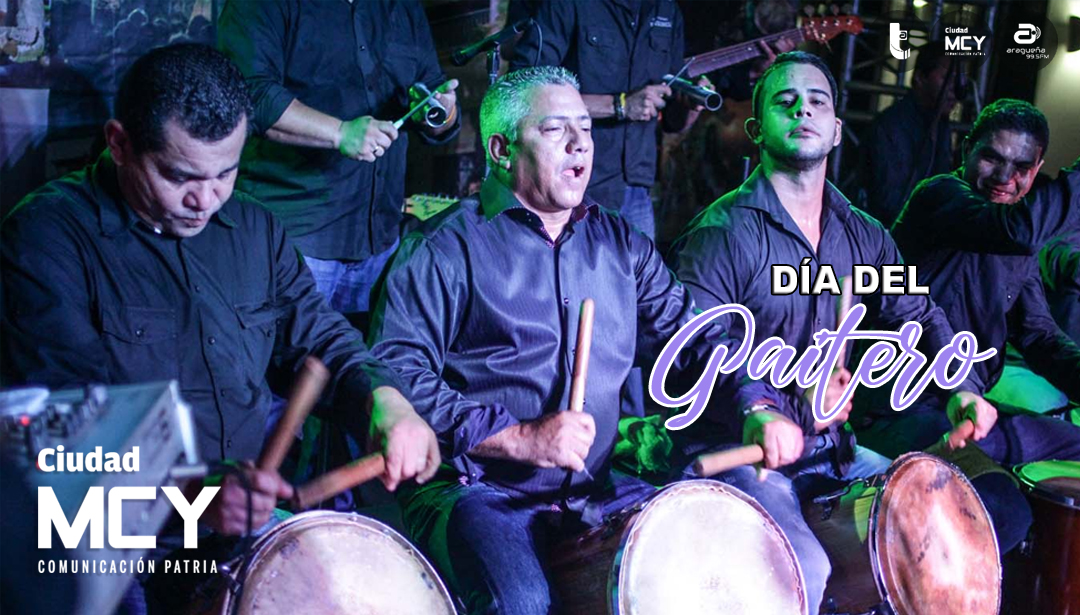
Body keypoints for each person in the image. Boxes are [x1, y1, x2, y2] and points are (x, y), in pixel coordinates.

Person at [0, 43, 439, 612]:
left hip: (237, 529)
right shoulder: (46, 239)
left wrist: (387, 403)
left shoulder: (254, 228)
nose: (205, 200)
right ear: (120, 143)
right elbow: (65, 445)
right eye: (179, 175)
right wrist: (194, 497)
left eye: (225, 173)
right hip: (118, 539)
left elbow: (320, 337)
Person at [368, 66, 736, 615]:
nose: (579, 143)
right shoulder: (443, 249)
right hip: (478, 487)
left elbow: (696, 343)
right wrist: (519, 438)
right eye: (555, 128)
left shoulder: (621, 245)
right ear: (501, 149)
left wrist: (761, 403)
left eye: (585, 128)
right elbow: (394, 373)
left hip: (594, 487)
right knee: (523, 601)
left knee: (691, 568)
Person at [670, 51, 993, 615]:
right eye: (785, 101)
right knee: (804, 569)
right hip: (737, 452)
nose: (803, 110)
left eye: (817, 101)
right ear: (756, 130)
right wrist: (761, 407)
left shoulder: (864, 237)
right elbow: (700, 345)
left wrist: (961, 385)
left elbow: (919, 314)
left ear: (837, 130)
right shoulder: (722, 233)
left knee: (933, 533)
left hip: (831, 451)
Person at [858, 99, 1080, 555]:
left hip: (970, 415)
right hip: (901, 413)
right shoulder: (939, 196)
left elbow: (1039, 336)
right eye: (992, 159)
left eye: (1022, 167)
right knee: (1001, 509)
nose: (1005, 177)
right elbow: (1014, 231)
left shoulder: (1015, 236)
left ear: (1037, 169)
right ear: (966, 150)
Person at [217, 0, 460, 318]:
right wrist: (340, 133)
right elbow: (252, 96)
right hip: (294, 241)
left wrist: (443, 111)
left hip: (380, 241)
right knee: (285, 350)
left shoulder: (404, 8)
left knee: (362, 351)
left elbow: (435, 101)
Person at [510, 0, 707, 239]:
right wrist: (620, 105)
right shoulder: (567, 4)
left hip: (636, 192)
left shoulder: (666, 9)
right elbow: (525, 89)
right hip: (572, 185)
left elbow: (673, 122)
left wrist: (692, 105)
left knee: (641, 265)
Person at [858, 44, 962, 227]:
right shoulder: (893, 125)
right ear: (920, 77)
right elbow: (891, 204)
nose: (955, 88)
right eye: (946, 78)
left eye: (958, 80)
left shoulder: (940, 124)